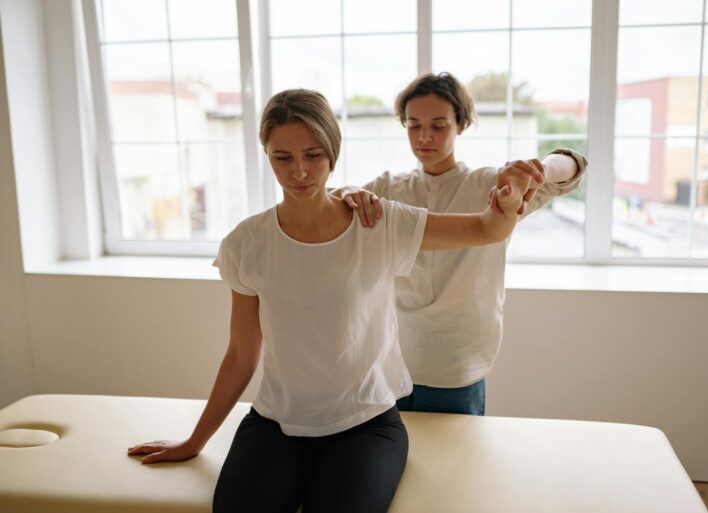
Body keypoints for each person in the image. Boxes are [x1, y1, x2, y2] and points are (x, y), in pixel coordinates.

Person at [127, 88, 539, 513]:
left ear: (333, 151)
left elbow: (486, 230)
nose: (299, 172)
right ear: (266, 154)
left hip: (367, 425)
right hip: (275, 424)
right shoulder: (246, 244)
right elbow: (241, 354)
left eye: (314, 155)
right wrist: (196, 440)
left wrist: (506, 205)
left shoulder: (375, 222)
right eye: (282, 158)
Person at [337, 72, 587, 416]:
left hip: (457, 363)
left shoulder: (494, 185)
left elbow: (574, 164)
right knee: (396, 461)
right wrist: (349, 193)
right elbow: (333, 202)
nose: (424, 137)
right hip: (393, 359)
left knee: (455, 464)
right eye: (414, 125)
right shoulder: (389, 188)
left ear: (461, 125)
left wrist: (536, 170)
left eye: (439, 125)